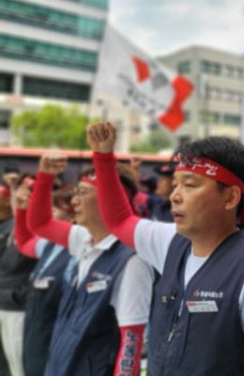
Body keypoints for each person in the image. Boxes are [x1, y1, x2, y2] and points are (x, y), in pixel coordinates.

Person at [86, 122, 244, 375]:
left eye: (190, 185)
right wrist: (104, 157)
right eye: (175, 184)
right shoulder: (170, 243)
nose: (175, 195)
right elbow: (119, 220)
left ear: (230, 198)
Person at [27, 153, 153, 376]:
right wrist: (45, 176)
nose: (74, 200)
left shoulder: (132, 261)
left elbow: (131, 340)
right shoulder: (83, 238)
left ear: (111, 198)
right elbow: (39, 223)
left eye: (83, 193)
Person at [13, 181, 75, 376]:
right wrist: (22, 212)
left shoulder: (79, 251)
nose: (50, 215)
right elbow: (23, 243)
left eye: (55, 209)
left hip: (54, 333)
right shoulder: (49, 244)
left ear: (73, 215)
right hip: (35, 328)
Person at [0, 180, 36, 376]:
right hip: (4, 300)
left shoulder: (26, 225)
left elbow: (16, 262)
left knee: (18, 366)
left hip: (16, 304)